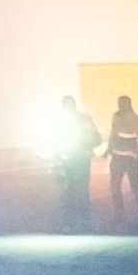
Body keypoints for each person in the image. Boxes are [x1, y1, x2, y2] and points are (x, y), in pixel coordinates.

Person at [51, 95, 98, 231]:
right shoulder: (85, 120)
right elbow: (96, 138)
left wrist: (57, 158)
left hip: (68, 162)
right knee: (81, 193)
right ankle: (84, 223)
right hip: (80, 160)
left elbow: (54, 142)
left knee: (68, 194)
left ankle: (70, 224)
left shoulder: (60, 121)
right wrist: (87, 146)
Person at [103, 93, 138, 227]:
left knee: (134, 187)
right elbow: (113, 135)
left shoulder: (136, 120)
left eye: (121, 104)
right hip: (119, 157)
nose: (119, 107)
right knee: (116, 187)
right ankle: (120, 215)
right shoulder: (117, 117)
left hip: (128, 159)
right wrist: (109, 150)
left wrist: (134, 153)